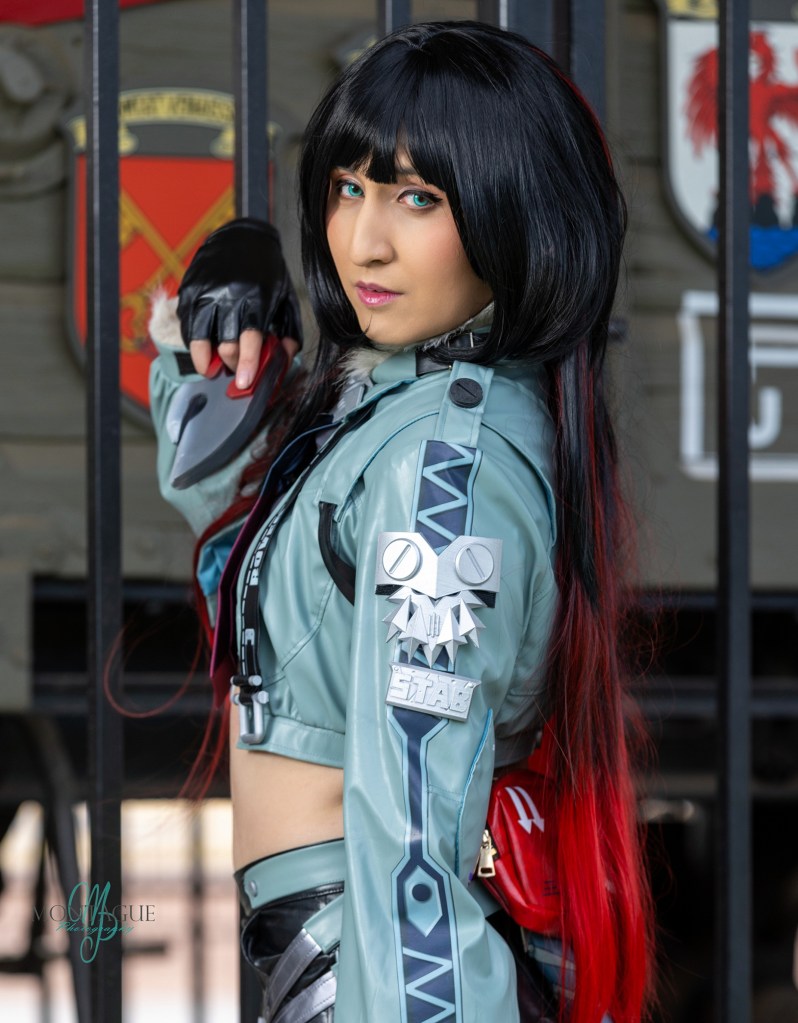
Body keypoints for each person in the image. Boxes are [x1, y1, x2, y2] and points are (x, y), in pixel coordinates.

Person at [148, 20, 654, 1023]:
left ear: (516, 216)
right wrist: (224, 344)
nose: (363, 242)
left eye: (418, 198)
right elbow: (260, 589)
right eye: (348, 189)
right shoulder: (395, 413)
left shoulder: (440, 462)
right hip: (343, 955)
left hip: (382, 974)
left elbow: (415, 823)